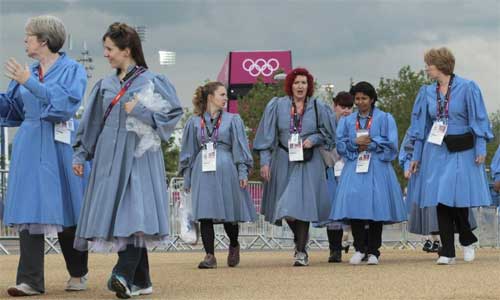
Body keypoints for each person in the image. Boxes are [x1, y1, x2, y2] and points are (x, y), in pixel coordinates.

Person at [72, 22, 183, 298]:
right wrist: (80, 153)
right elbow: (92, 123)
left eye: (110, 49)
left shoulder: (154, 81)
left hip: (140, 158)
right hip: (109, 160)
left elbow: (172, 116)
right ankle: (142, 280)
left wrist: (142, 111)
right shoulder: (104, 85)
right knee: (123, 216)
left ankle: (122, 273)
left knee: (134, 214)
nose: (106, 54)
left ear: (127, 50)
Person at [1, 15, 89, 297]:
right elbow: (13, 109)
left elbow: (63, 105)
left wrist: (30, 82)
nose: (24, 40)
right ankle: (30, 281)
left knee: (66, 208)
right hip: (29, 143)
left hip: (60, 144)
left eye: (28, 35)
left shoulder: (72, 69)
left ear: (43, 40)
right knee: (29, 209)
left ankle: (77, 272)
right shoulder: (28, 72)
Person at [409, 47, 493, 265]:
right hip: (435, 148)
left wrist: (481, 147)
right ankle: (447, 250)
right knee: (440, 198)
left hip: (461, 148)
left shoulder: (467, 87)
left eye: (429, 64)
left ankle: (466, 239)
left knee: (457, 196)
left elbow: (479, 118)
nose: (426, 68)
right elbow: (420, 127)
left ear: (440, 65)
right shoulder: (426, 92)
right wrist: (415, 155)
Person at [253, 67, 336, 266]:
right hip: (283, 158)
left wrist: (313, 139)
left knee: (303, 205)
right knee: (286, 207)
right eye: (297, 82)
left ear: (309, 86)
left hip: (308, 161)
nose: (300, 86)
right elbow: (266, 137)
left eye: (304, 83)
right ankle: (299, 241)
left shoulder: (318, 107)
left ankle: (301, 251)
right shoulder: (277, 105)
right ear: (290, 85)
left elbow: (330, 135)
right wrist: (265, 162)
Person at [179, 81, 256, 269]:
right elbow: (189, 151)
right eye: (222, 94)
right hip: (202, 170)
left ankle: (234, 243)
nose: (225, 98)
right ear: (211, 97)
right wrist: (187, 178)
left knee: (229, 214)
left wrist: (243, 171)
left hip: (227, 168)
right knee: (204, 214)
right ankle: (209, 256)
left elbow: (240, 146)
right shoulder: (194, 122)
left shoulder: (233, 120)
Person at [330, 81, 407, 265]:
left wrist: (372, 142)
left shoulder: (384, 118)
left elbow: (391, 144)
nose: (360, 102)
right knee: (354, 205)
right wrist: (355, 144)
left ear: (372, 99)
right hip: (355, 165)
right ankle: (359, 248)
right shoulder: (348, 120)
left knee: (376, 208)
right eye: (357, 98)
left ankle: (373, 250)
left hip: (377, 166)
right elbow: (340, 143)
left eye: (364, 98)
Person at [317, 91, 354, 263]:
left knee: (354, 210)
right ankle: (335, 249)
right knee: (333, 213)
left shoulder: (355, 123)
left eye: (349, 107)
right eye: (342, 107)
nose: (346, 111)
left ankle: (364, 247)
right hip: (331, 169)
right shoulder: (326, 123)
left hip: (351, 170)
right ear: (335, 106)